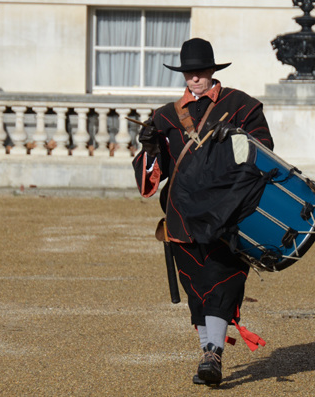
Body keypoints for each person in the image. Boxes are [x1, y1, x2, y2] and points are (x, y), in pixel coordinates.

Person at [132, 38, 274, 387]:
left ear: (213, 70)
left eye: (201, 71)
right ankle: (208, 354)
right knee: (197, 288)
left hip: (229, 213)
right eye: (189, 73)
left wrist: (237, 136)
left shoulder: (243, 106)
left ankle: (212, 354)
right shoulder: (164, 116)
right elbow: (154, 176)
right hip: (182, 215)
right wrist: (150, 149)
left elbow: (264, 153)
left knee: (223, 283)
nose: (195, 78)